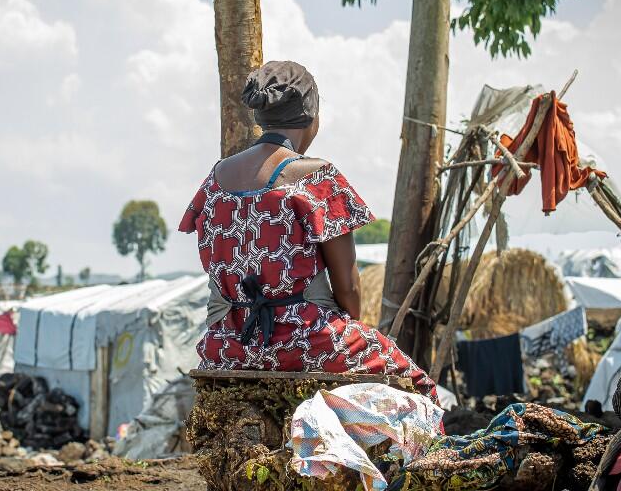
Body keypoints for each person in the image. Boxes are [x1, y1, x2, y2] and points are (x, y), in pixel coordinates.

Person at [179, 61, 438, 404]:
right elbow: (348, 287)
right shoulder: (315, 177)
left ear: (261, 116)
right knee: (421, 388)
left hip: (229, 344)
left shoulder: (214, 180)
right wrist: (352, 333)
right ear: (313, 118)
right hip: (304, 341)